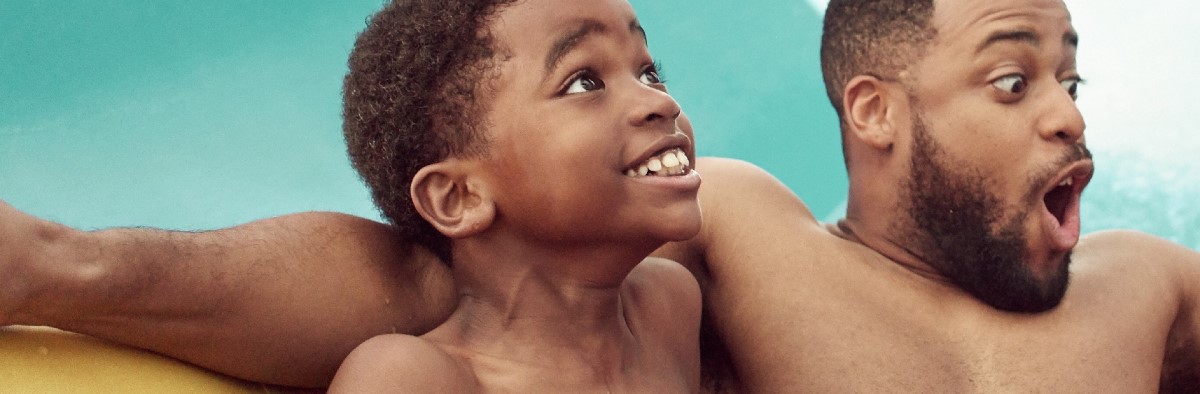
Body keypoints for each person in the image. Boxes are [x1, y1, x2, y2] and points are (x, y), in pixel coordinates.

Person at [2, 0, 1199, 391]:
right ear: (876, 111)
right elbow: (419, 274)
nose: (1068, 111)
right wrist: (67, 264)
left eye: (1073, 75)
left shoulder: (1147, 288)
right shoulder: (736, 240)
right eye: (1011, 74)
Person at [321, 0, 703, 391]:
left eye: (649, 72)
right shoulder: (409, 378)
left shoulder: (669, 308)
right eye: (584, 82)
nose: (663, 102)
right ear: (459, 197)